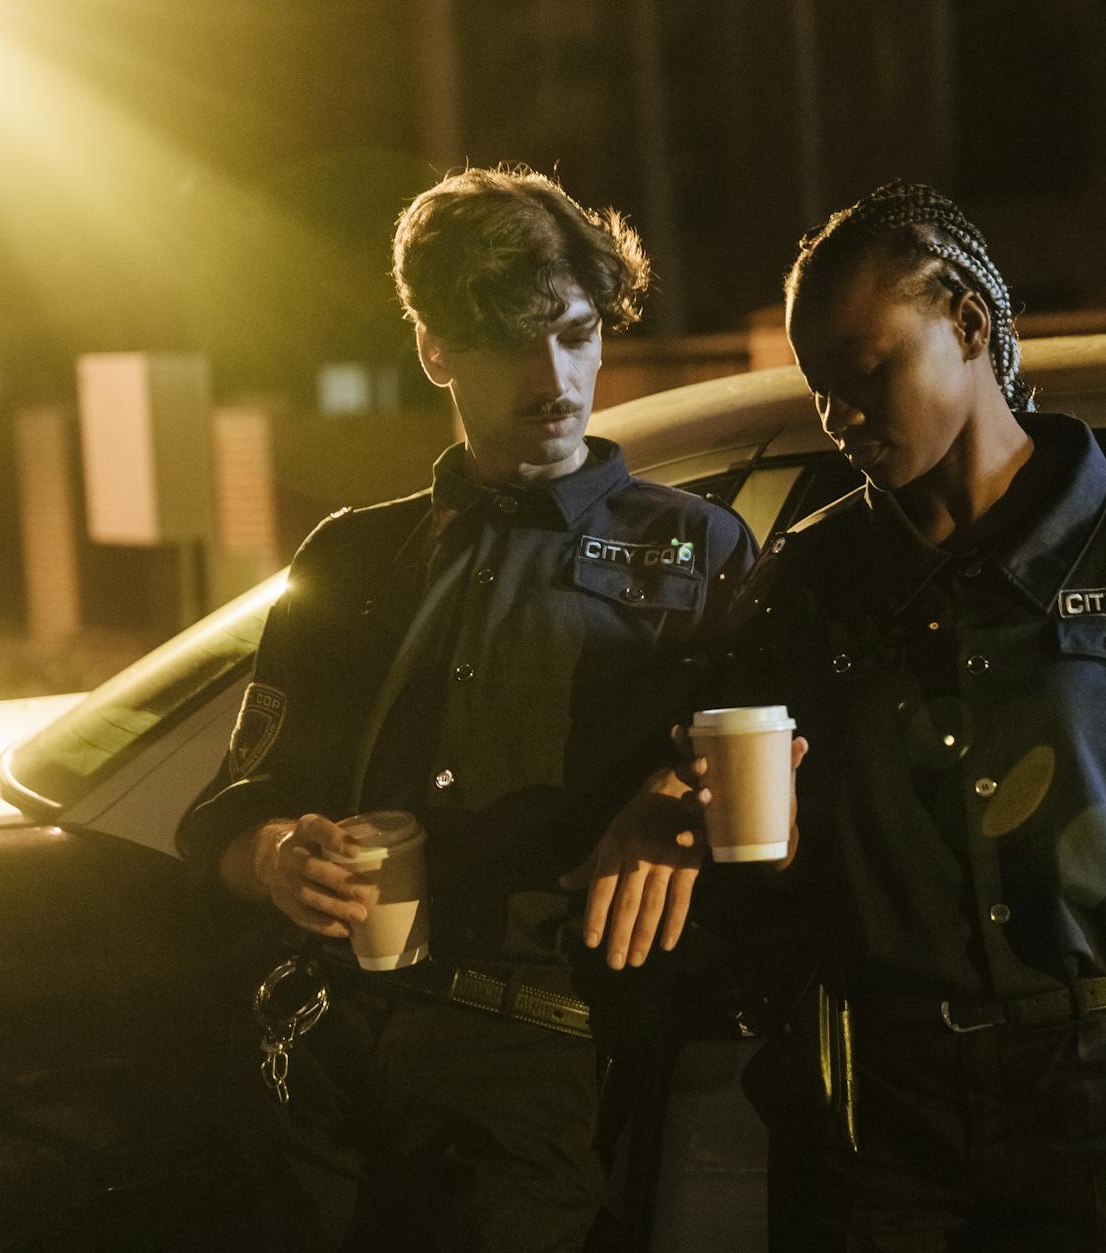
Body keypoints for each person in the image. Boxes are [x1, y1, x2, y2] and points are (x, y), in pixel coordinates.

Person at [657, 182, 1106, 1250]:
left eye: (863, 370)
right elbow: (747, 876)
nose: (839, 415)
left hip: (1103, 1102)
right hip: (877, 1118)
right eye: (818, 387)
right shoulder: (807, 580)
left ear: (968, 324)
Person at [176, 165, 750, 1251]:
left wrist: (681, 787)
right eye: (507, 342)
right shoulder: (351, 556)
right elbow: (225, 805)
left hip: (534, 1056)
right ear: (437, 349)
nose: (554, 377)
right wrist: (270, 854)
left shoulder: (694, 550)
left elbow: (773, 779)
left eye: (576, 333)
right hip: (327, 1050)